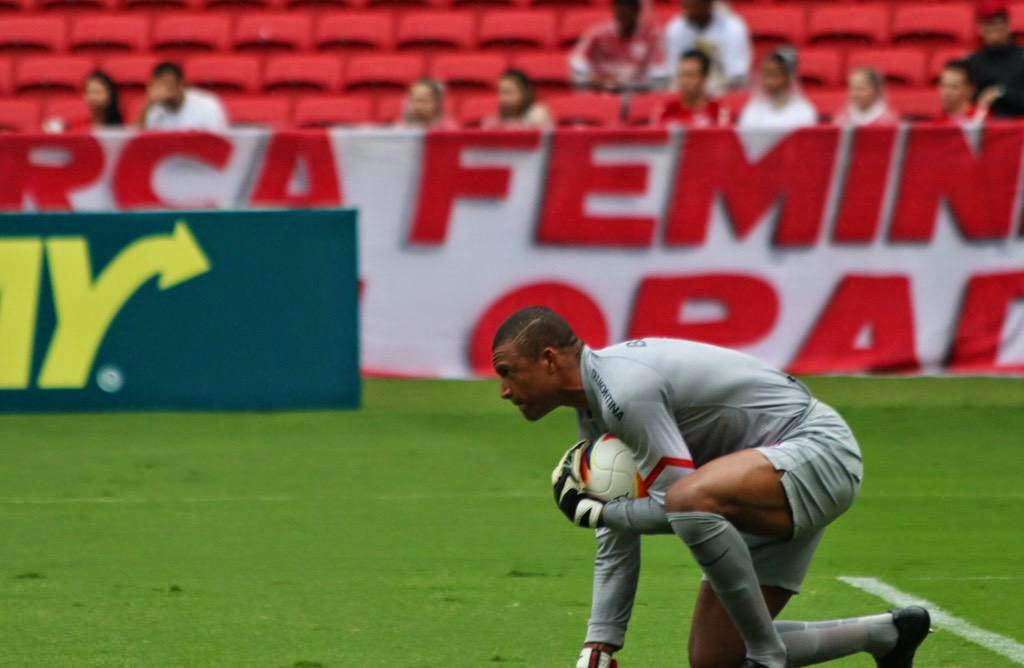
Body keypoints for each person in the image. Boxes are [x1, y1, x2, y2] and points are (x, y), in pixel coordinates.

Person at [490, 306, 932, 668]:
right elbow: (619, 533)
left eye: (508, 372)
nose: (504, 391)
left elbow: (675, 505)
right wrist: (600, 643)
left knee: (688, 498)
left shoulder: (624, 393)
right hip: (762, 479)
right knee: (715, 660)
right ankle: (889, 635)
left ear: (548, 359)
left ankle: (767, 657)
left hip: (816, 451)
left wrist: (602, 512)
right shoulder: (594, 411)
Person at [569, 0, 667, 92]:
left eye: (628, 14)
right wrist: (591, 80)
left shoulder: (651, 38)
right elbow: (577, 63)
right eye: (620, 14)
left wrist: (630, 85)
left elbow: (659, 75)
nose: (623, 20)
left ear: (637, 13)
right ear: (615, 11)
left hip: (637, 94)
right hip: (602, 93)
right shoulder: (598, 35)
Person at [663, 0, 751, 96]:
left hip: (723, 87)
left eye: (692, 5)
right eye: (685, 5)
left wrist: (708, 90)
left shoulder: (732, 27)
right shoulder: (675, 28)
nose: (686, 10)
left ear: (707, 4)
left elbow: (736, 74)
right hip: (687, 87)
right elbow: (673, 71)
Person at [967, 0, 1024, 117]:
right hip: (985, 127)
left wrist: (1001, 92)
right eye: (989, 24)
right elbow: (965, 103)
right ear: (980, 29)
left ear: (1009, 26)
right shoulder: (972, 62)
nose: (995, 31)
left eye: (999, 24)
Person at [738, 48, 817, 130]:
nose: (767, 81)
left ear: (789, 78)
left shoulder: (803, 110)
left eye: (773, 75)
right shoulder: (754, 108)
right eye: (765, 75)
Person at [142, 61, 227, 131]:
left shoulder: (208, 105)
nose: (164, 90)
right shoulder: (154, 108)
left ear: (181, 85)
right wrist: (148, 104)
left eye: (169, 84)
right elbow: (138, 141)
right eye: (160, 85)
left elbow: (217, 140)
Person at [654, 49, 731, 126]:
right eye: (681, 75)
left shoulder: (719, 111)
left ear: (704, 78)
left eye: (690, 75)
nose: (684, 81)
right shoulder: (665, 110)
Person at [482, 69, 553, 129]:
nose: (502, 98)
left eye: (508, 92)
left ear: (524, 93)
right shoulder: (493, 120)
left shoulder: (538, 115)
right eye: (500, 92)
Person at [833, 67, 898, 126]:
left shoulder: (888, 120)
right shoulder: (842, 118)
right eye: (852, 88)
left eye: (860, 88)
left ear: (875, 90)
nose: (854, 94)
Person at [939, 60, 989, 127]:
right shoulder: (937, 123)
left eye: (954, 87)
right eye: (943, 85)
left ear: (970, 90)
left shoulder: (983, 119)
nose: (946, 92)